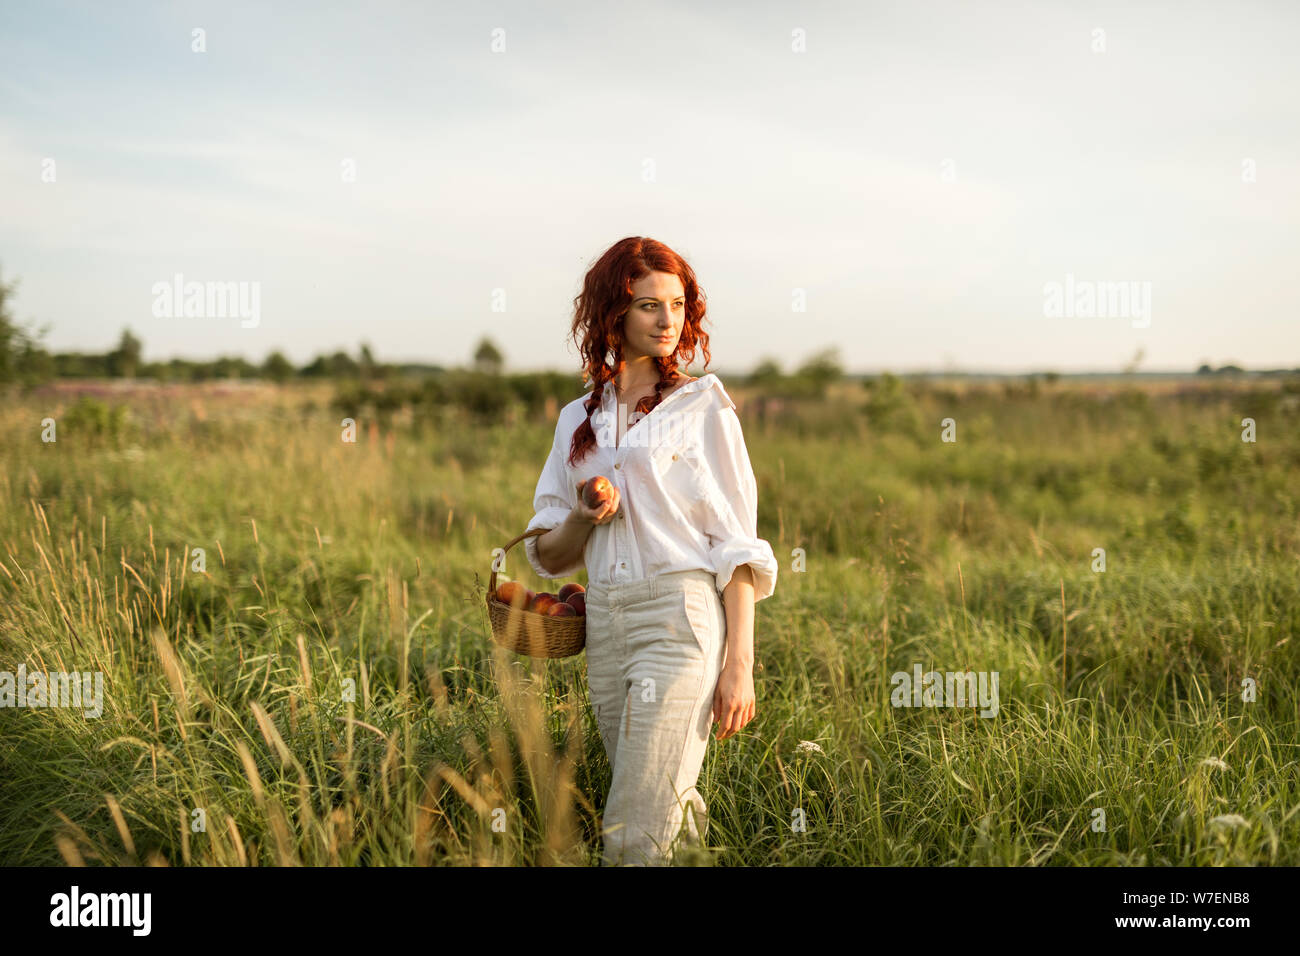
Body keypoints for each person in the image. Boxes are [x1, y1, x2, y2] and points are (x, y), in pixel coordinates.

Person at [523, 236, 778, 866]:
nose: (669, 320)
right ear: (613, 314)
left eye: (679, 304)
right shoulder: (577, 419)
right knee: (670, 810)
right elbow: (550, 557)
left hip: (680, 621)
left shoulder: (702, 407)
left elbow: (736, 547)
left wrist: (739, 662)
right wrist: (583, 519)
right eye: (648, 306)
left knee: (633, 830)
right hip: (606, 623)